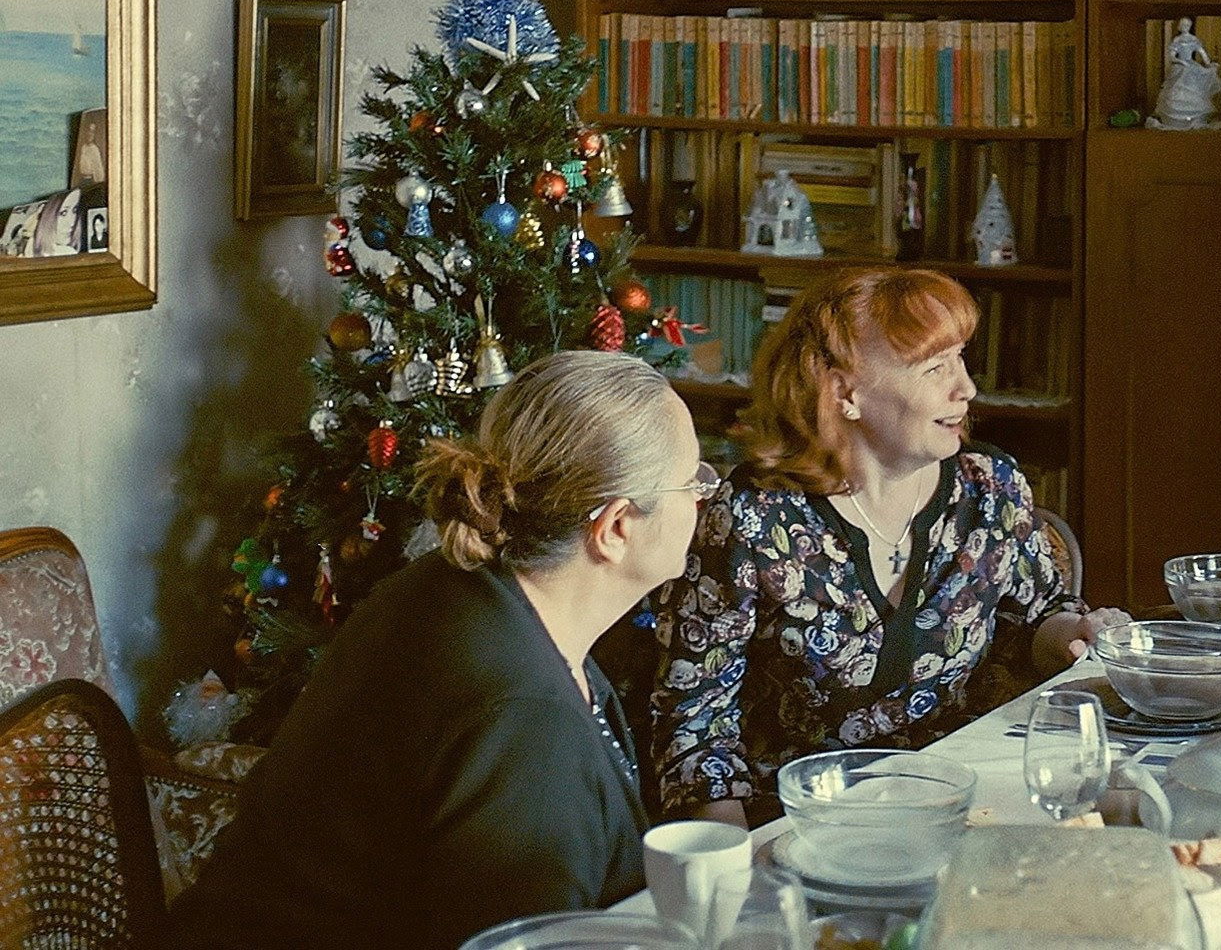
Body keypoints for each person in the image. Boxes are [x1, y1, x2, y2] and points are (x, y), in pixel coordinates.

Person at [170, 351, 713, 949]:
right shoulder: (520, 713)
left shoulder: (459, 586)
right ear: (615, 528)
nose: (702, 499)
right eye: (693, 482)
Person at [645, 267, 1128, 826]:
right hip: (806, 824)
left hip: (967, 804)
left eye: (960, 358)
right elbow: (695, 721)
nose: (966, 389)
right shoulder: (753, 517)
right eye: (934, 368)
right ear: (845, 393)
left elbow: (1033, 620)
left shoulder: (990, 487)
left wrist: (1073, 632)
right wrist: (732, 862)